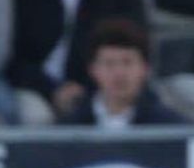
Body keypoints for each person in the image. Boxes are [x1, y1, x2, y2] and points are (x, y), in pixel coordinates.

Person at [4, 0, 147, 122]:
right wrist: (52, 90)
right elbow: (12, 53)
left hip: (99, 86)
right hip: (33, 86)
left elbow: (131, 44)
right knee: (34, 115)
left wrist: (86, 88)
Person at [59, 18, 187, 127]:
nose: (119, 73)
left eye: (127, 62)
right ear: (93, 70)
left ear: (145, 68)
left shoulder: (170, 127)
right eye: (109, 64)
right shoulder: (70, 128)